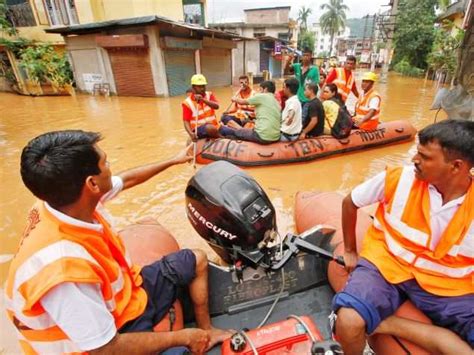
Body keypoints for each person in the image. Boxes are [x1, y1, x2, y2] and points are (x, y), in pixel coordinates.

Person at [6, 130, 232, 354]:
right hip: (102, 341)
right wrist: (183, 337)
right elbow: (105, 349)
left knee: (196, 259)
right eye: (106, 162)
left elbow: (127, 179)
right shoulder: (63, 272)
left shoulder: (62, 199)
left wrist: (173, 160)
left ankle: (207, 329)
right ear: (92, 184)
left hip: (126, 298)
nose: (110, 167)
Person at [333, 120, 474, 355]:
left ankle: (388, 324)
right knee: (348, 321)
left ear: (456, 166)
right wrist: (349, 250)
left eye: (424, 157)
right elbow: (350, 202)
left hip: (447, 286)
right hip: (387, 265)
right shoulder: (400, 179)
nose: (414, 160)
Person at [182, 74, 220, 141]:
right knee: (210, 128)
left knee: (233, 132)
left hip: (215, 126)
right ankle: (222, 138)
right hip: (199, 130)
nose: (202, 88)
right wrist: (191, 134)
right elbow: (186, 121)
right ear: (193, 87)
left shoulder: (209, 95)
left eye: (203, 86)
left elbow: (216, 106)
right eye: (199, 87)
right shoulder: (187, 103)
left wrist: (203, 100)